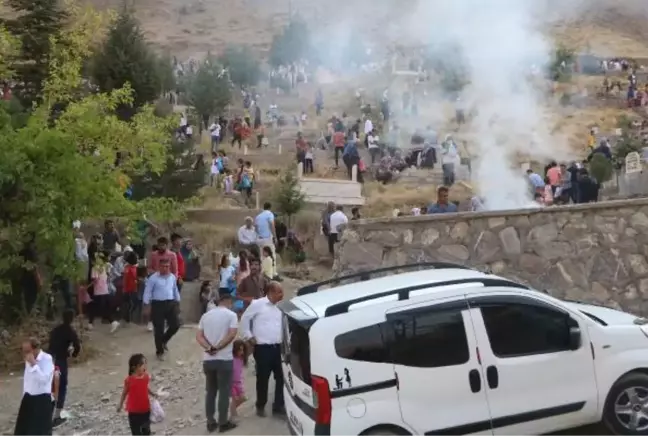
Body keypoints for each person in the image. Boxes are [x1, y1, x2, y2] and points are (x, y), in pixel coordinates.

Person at [240, 282, 285, 417]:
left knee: (281, 377)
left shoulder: (280, 307)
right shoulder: (258, 304)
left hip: (278, 347)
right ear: (271, 292)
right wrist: (249, 336)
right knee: (263, 378)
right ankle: (261, 405)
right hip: (262, 348)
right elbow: (244, 319)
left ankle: (278, 406)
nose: (282, 295)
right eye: (279, 292)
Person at [196, 294, 239, 432]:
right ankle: (223, 422)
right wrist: (218, 347)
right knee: (224, 391)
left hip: (208, 360)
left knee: (210, 391)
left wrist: (209, 348)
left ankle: (210, 422)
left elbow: (199, 336)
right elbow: (232, 334)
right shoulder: (231, 315)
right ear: (228, 301)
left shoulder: (205, 316)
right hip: (224, 359)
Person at [14, 338, 55, 436]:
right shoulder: (28, 360)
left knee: (39, 431)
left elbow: (44, 379)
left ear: (36, 349)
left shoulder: (47, 359)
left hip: (41, 399)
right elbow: (28, 380)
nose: (26, 354)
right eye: (24, 352)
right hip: (29, 398)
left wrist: (34, 364)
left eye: (28, 351)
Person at [142, 258, 181, 360]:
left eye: (167, 266)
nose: (165, 268)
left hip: (170, 303)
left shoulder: (172, 277)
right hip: (157, 304)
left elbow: (174, 289)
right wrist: (146, 305)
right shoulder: (153, 278)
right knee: (159, 329)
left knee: (176, 325)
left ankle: (164, 340)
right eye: (163, 266)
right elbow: (147, 291)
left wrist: (177, 301)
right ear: (159, 267)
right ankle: (160, 351)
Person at [48, 309, 81, 427]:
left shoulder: (55, 330)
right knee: (61, 387)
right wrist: (73, 354)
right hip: (60, 361)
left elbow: (50, 344)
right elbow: (77, 345)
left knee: (50, 387)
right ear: (72, 319)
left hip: (49, 359)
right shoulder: (70, 331)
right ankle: (57, 416)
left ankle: (46, 415)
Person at [117, 353, 157, 436]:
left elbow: (145, 388)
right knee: (136, 432)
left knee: (146, 431)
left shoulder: (146, 377)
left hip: (146, 410)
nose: (145, 366)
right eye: (142, 364)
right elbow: (124, 393)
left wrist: (153, 393)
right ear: (134, 367)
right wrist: (120, 405)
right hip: (133, 413)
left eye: (146, 363)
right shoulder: (129, 380)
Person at [230, 340, 249, 420]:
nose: (241, 352)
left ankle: (232, 410)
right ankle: (233, 415)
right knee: (235, 399)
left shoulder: (241, 359)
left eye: (242, 350)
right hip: (231, 383)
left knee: (243, 398)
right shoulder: (231, 359)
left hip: (239, 383)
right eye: (239, 350)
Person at [122, 251, 140, 324]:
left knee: (129, 304)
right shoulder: (131, 268)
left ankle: (127, 317)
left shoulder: (129, 267)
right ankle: (129, 316)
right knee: (133, 304)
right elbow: (128, 278)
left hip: (130, 288)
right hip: (131, 289)